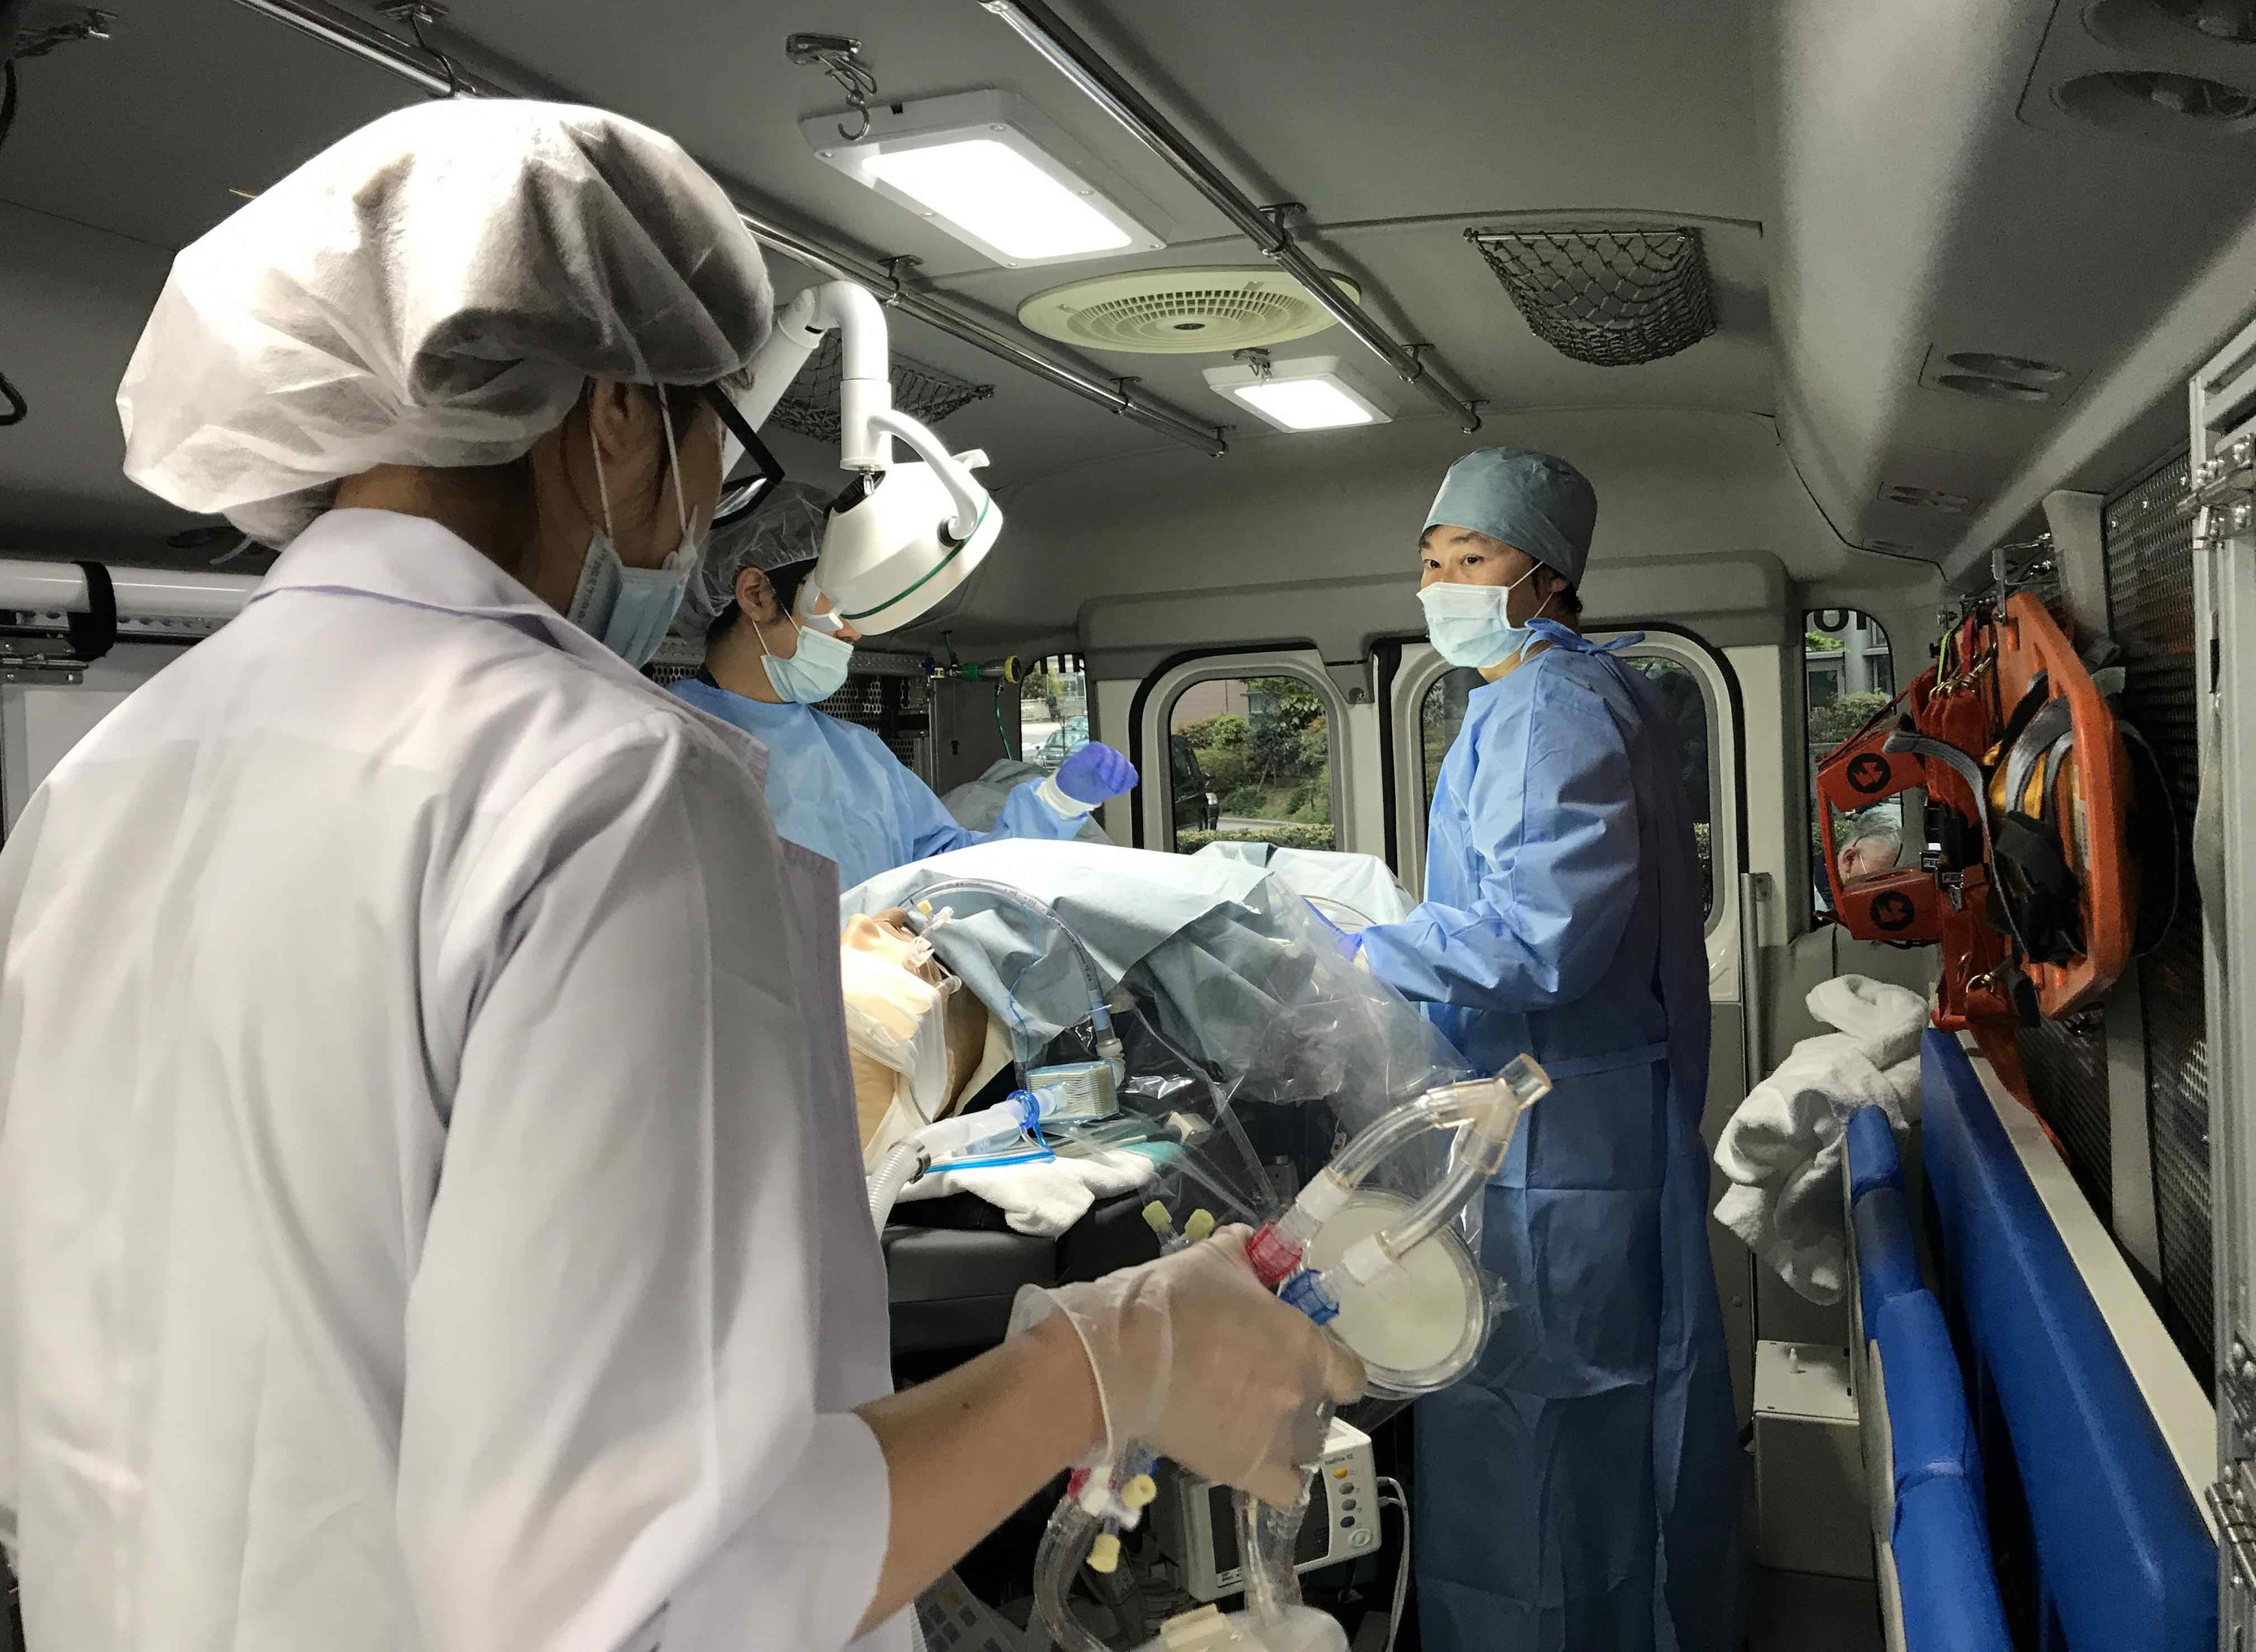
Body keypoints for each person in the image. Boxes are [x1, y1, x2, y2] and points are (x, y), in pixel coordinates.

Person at [0, 99, 1359, 1651]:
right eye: (719, 441)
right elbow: (667, 1588)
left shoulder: (100, 779)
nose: (707, 505)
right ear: (618, 419)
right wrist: (1108, 1365)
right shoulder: (601, 784)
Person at [1348, 449, 1746, 1652]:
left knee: (1541, 1416)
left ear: (1548, 575)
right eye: (1431, 559)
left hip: (1555, 1132)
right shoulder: (1575, 692)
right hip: (1583, 1116)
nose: (1441, 584)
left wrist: (1361, 946)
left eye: (1473, 558)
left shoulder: (1545, 708)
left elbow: (1539, 938)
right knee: (1605, 1413)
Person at [669, 489, 1139, 888]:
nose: (853, 632)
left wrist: (1057, 804)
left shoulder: (859, 754)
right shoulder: (666, 749)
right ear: (756, 594)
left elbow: (949, 874)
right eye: (838, 605)